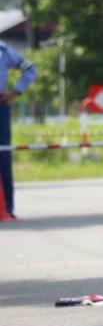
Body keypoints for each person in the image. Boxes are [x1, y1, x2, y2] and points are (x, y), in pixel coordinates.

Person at [0, 41, 36, 217]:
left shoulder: (3, 50)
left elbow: (29, 68)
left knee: (3, 156)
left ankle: (6, 208)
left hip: (0, 107)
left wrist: (15, 92)